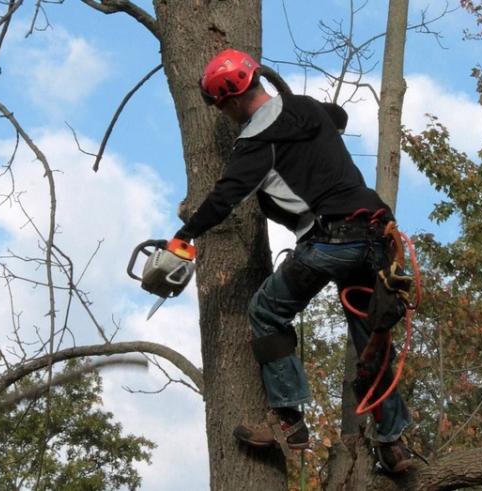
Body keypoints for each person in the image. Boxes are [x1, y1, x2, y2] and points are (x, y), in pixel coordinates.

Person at [175, 48, 413, 473]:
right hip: (377, 238)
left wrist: (184, 235)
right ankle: (394, 446)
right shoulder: (307, 108)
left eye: (222, 107)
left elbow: (224, 198)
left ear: (231, 100)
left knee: (265, 311)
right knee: (370, 340)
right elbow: (338, 116)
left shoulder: (255, 143)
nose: (224, 115)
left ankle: (288, 422)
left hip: (330, 240)